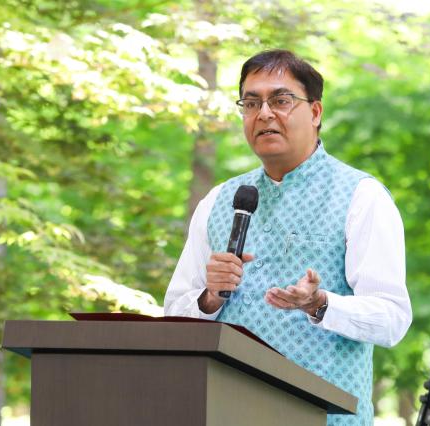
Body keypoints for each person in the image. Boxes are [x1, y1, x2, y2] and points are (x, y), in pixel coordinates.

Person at [164, 49, 412, 425]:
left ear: (315, 113)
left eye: (280, 100)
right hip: (224, 414)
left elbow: (392, 318)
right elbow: (173, 315)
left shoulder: (361, 196)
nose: (264, 113)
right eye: (251, 103)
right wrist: (209, 297)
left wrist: (320, 303)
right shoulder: (219, 201)